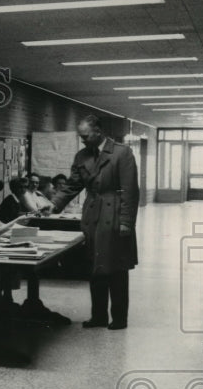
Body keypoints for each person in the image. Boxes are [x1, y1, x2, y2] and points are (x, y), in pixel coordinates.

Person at [50, 114, 139, 330]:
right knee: (95, 267)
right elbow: (72, 185)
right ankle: (98, 316)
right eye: (81, 136)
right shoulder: (82, 156)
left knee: (116, 268)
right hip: (92, 215)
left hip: (115, 213)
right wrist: (54, 204)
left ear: (98, 132)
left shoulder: (122, 152)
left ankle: (119, 318)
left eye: (86, 136)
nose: (83, 140)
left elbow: (130, 191)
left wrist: (126, 222)